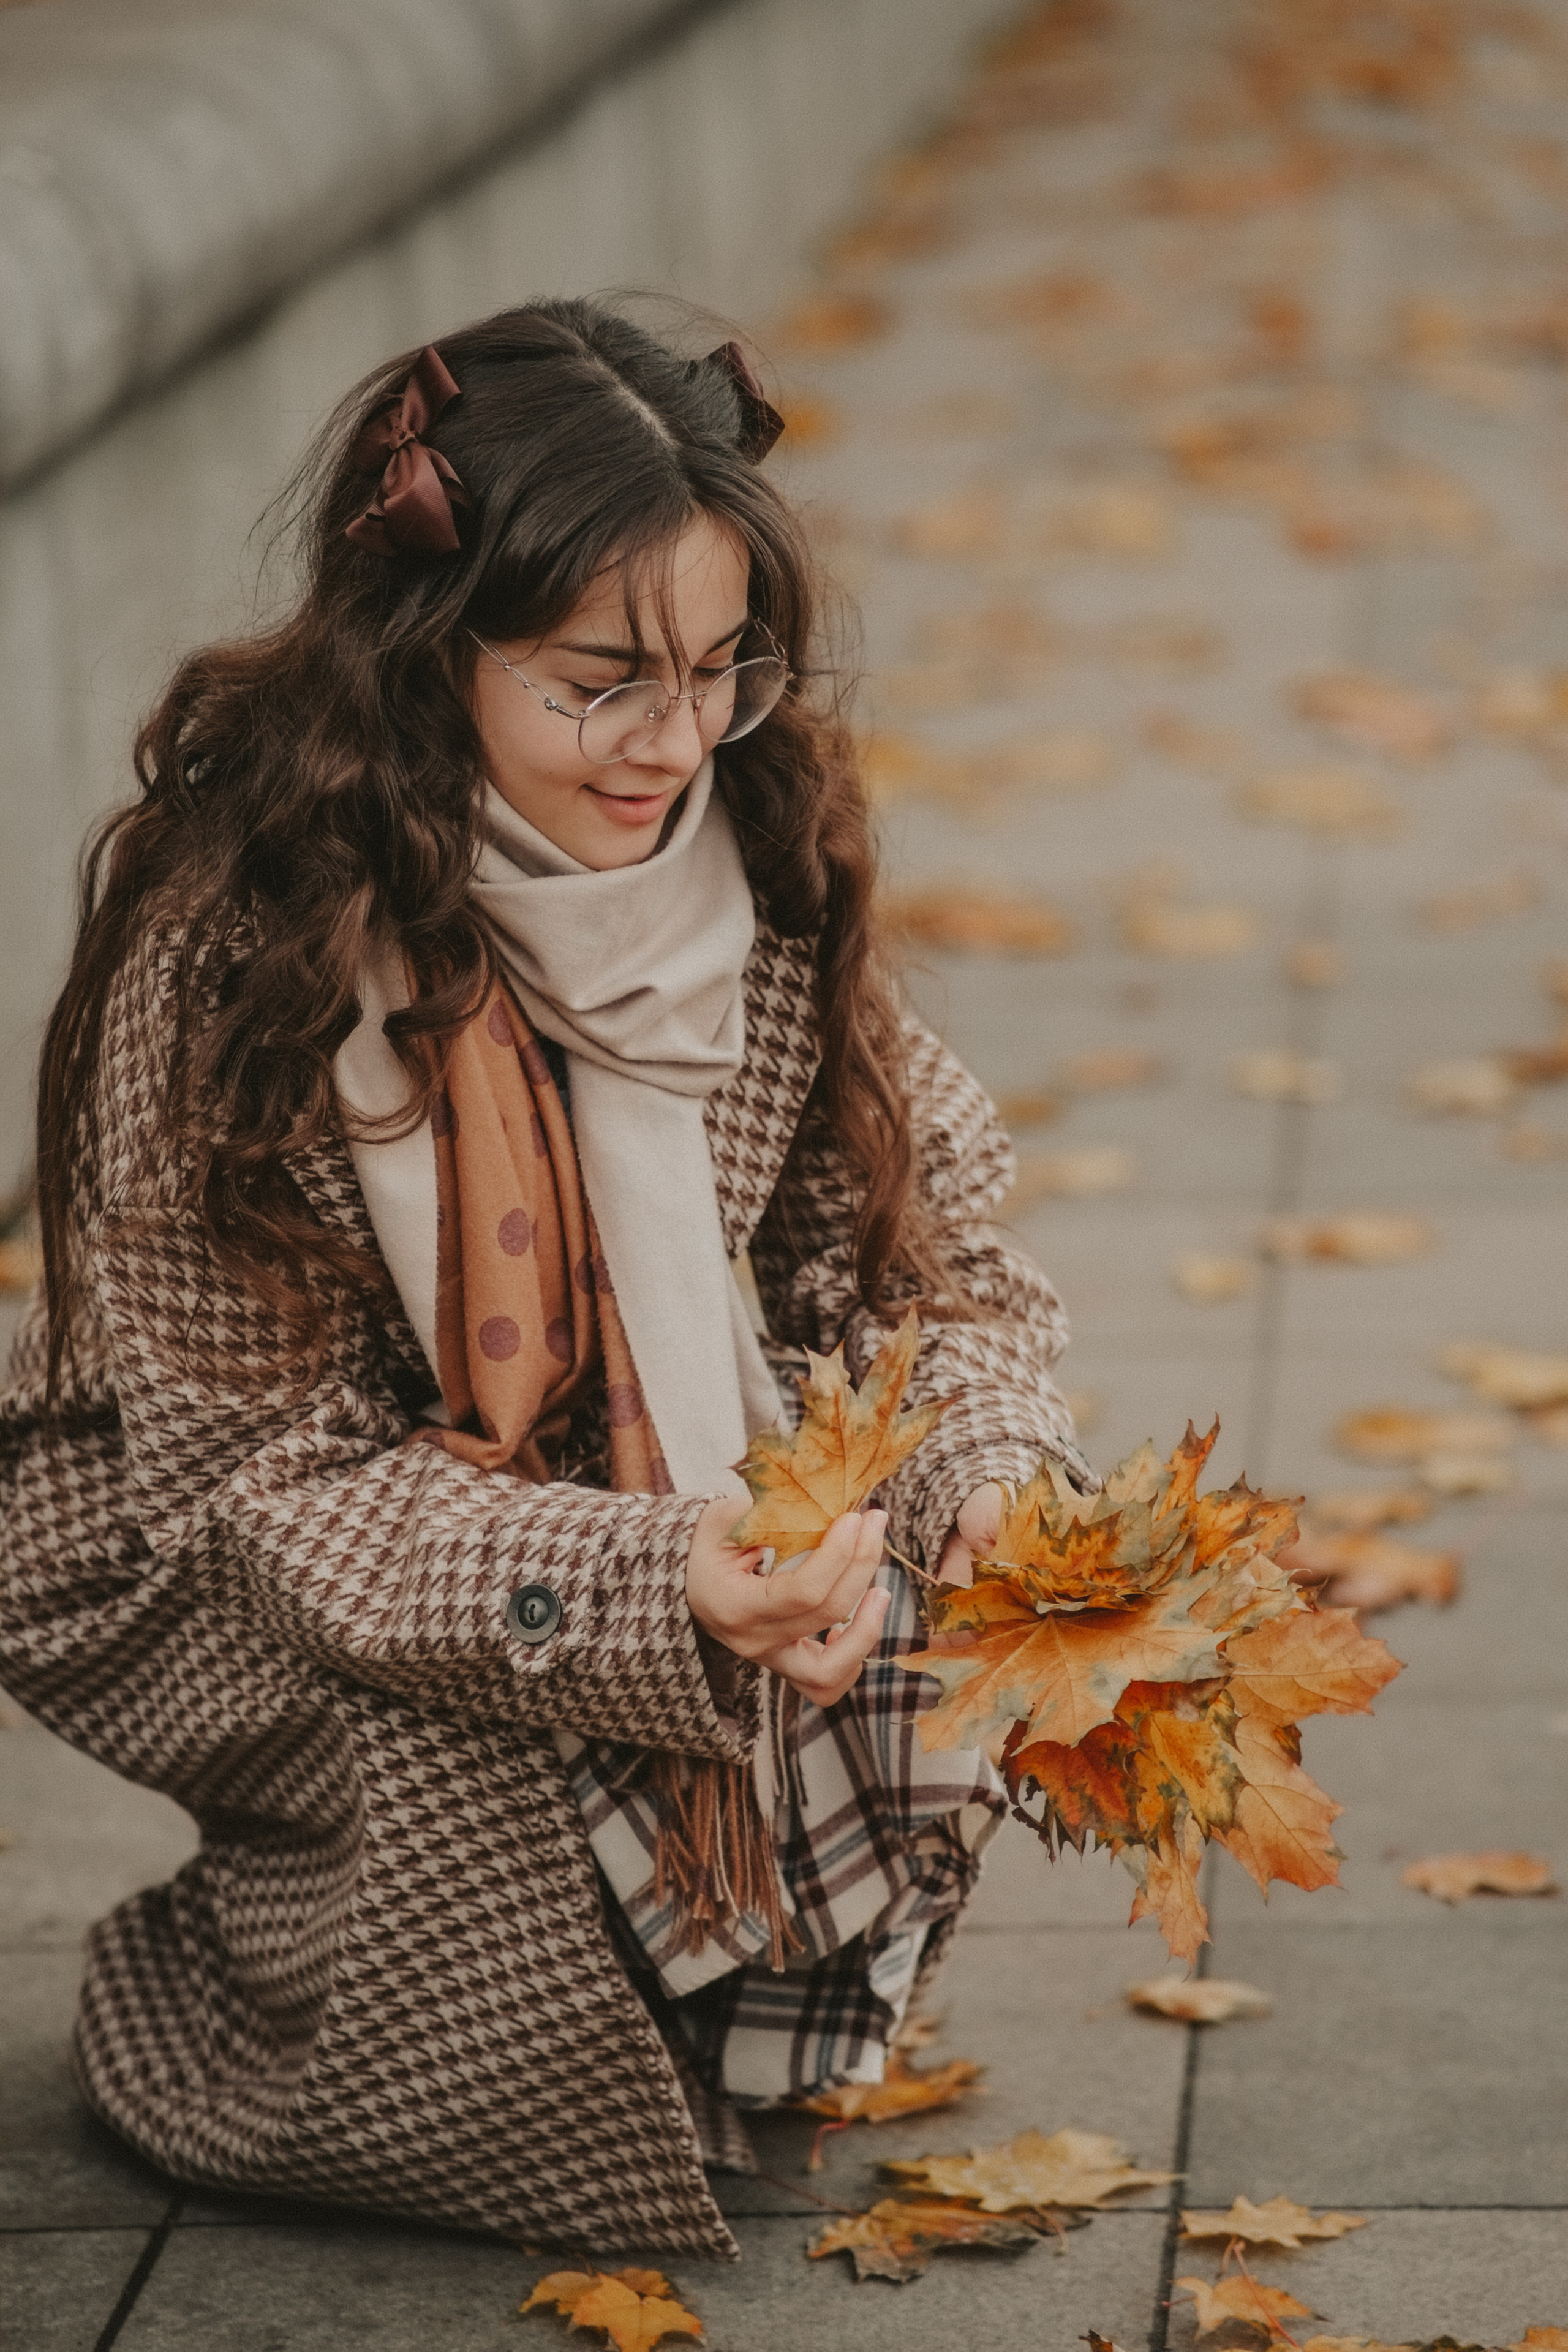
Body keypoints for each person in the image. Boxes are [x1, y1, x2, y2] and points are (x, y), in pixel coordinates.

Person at [0, 300, 1091, 2261]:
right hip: (215, 1535)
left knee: (943, 1575)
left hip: (590, 1470)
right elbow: (267, 1491)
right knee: (469, 1790)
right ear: (436, 647)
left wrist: (986, 1487)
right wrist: (651, 1572)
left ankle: (687, 1968)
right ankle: (263, 2010)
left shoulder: (750, 835)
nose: (673, 742)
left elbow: (935, 1272)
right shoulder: (227, 951)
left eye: (720, 668)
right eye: (602, 680)